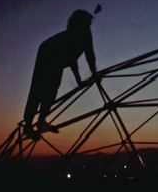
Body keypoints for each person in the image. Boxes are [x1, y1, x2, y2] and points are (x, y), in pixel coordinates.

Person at [23, 9, 102, 140]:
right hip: (47, 54)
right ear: (78, 23)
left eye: (89, 24)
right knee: (38, 90)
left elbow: (88, 56)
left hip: (57, 61)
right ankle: (28, 126)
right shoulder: (71, 35)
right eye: (86, 23)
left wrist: (92, 76)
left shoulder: (85, 34)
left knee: (52, 90)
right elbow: (74, 59)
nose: (88, 26)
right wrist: (85, 78)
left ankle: (41, 121)